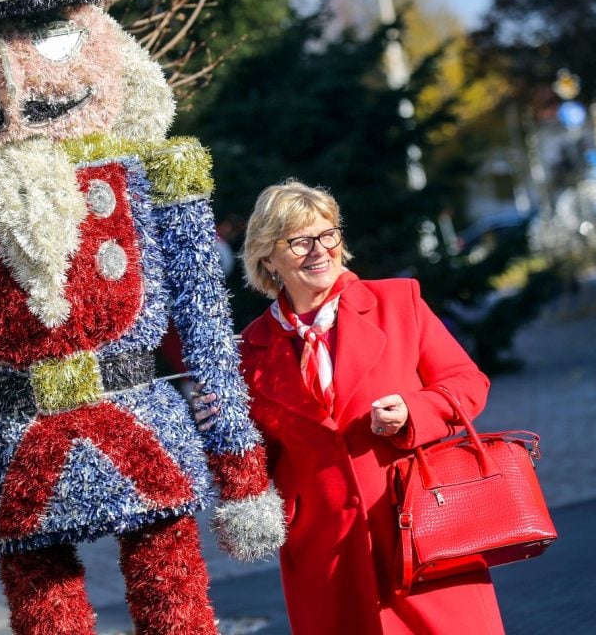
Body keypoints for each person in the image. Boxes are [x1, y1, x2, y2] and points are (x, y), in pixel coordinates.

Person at [195, 179, 505, 634]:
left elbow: (467, 383)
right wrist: (221, 432)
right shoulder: (248, 351)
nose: (319, 250)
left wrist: (413, 411)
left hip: (419, 528)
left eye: (327, 235)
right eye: (299, 242)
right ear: (268, 258)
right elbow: (256, 462)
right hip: (326, 550)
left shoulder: (399, 302)